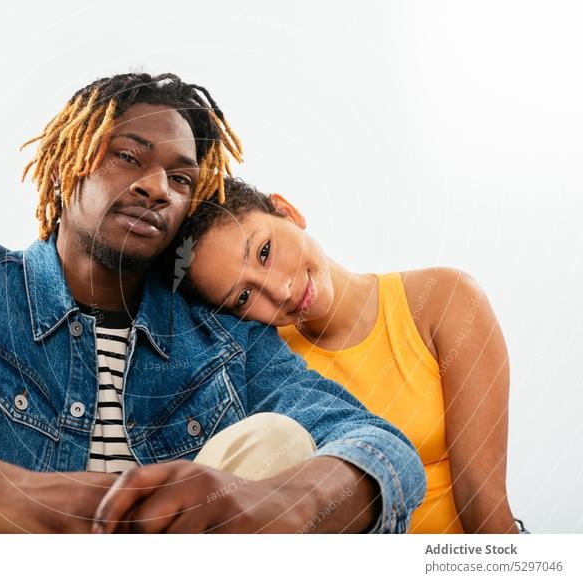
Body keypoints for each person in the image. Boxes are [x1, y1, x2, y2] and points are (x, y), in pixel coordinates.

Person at [0, 73, 425, 534]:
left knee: (279, 440)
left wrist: (268, 504)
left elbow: (378, 445)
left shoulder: (225, 339)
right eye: (128, 157)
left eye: (180, 178)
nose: (157, 188)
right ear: (66, 167)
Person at [175, 176, 523, 533]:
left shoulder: (445, 299)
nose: (280, 291)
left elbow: (482, 500)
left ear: (287, 211)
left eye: (265, 252)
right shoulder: (270, 372)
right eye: (244, 297)